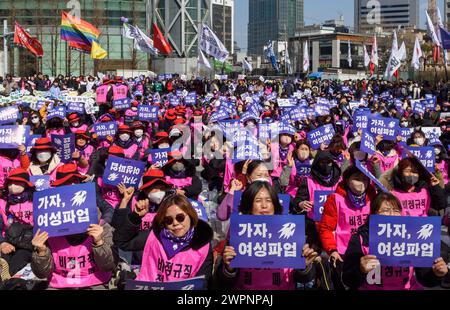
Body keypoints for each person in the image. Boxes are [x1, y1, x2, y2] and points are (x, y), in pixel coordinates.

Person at [216, 181, 320, 290]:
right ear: (248, 205)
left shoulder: (290, 231)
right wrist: (229, 268)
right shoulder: (238, 231)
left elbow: (303, 278)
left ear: (275, 205)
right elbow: (224, 281)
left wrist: (304, 266)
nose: (264, 205)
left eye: (269, 201)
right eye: (258, 200)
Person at [342, 192, 448, 290]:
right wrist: (360, 270)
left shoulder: (413, 238)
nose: (392, 214)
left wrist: (437, 274)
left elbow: (424, 277)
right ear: (373, 213)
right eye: (386, 210)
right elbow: (348, 279)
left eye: (396, 210)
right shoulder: (360, 239)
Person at [113, 194, 213, 285]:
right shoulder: (154, 237)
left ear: (191, 216)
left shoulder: (203, 246)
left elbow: (203, 282)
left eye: (180, 217)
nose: (175, 223)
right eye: (169, 220)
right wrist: (135, 217)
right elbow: (121, 241)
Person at [318, 165, 377, 289]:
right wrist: (332, 250)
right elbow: (326, 228)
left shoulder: (374, 198)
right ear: (347, 181)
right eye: (356, 178)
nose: (361, 182)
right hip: (343, 255)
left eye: (365, 179)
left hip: (368, 253)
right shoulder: (335, 199)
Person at [379, 157, 446, 217]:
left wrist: (436, 187)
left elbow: (441, 204)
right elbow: (382, 179)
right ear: (400, 173)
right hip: (403, 226)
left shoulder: (425, 191)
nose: (411, 175)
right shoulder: (393, 193)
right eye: (407, 171)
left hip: (422, 226)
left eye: (415, 172)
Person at [0, 169, 35, 280]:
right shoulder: (3, 202)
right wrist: (2, 243)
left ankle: (7, 279)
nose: (12, 185)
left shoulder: (37, 200)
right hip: (9, 242)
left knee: (17, 261)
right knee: (4, 260)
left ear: (26, 184)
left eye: (17, 182)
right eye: (10, 183)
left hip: (28, 244)